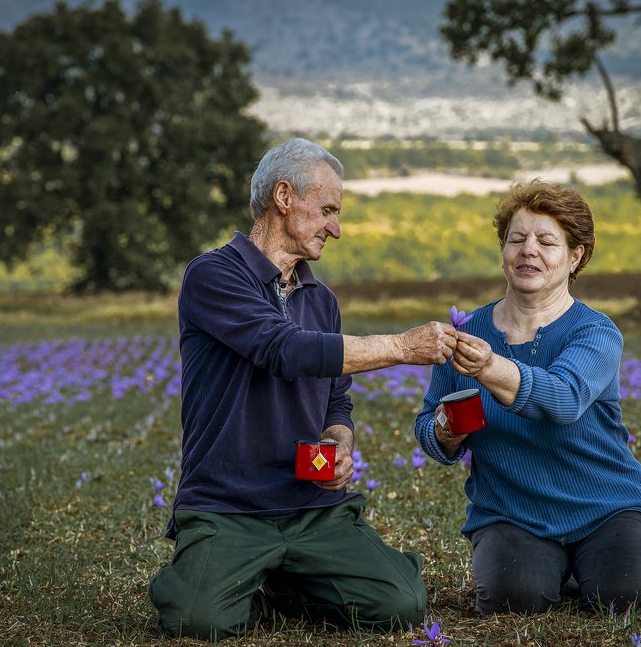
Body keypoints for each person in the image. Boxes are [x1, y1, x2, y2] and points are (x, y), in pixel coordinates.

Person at [148, 138, 458, 640]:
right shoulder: (212, 275)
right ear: (284, 196)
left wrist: (340, 440)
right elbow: (283, 350)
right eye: (328, 210)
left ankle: (281, 579)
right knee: (196, 618)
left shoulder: (322, 299)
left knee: (401, 601)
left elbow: (336, 397)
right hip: (229, 506)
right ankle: (240, 572)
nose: (337, 228)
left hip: (312, 507)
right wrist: (402, 346)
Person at [414, 180, 641, 616]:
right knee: (512, 601)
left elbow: (562, 399)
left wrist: (488, 367)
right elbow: (429, 429)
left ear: (575, 256)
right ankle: (564, 569)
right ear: (503, 250)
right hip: (511, 512)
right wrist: (444, 433)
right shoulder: (466, 334)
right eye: (516, 239)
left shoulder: (594, 332)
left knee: (628, 598)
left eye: (546, 241)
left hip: (606, 507)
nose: (529, 251)